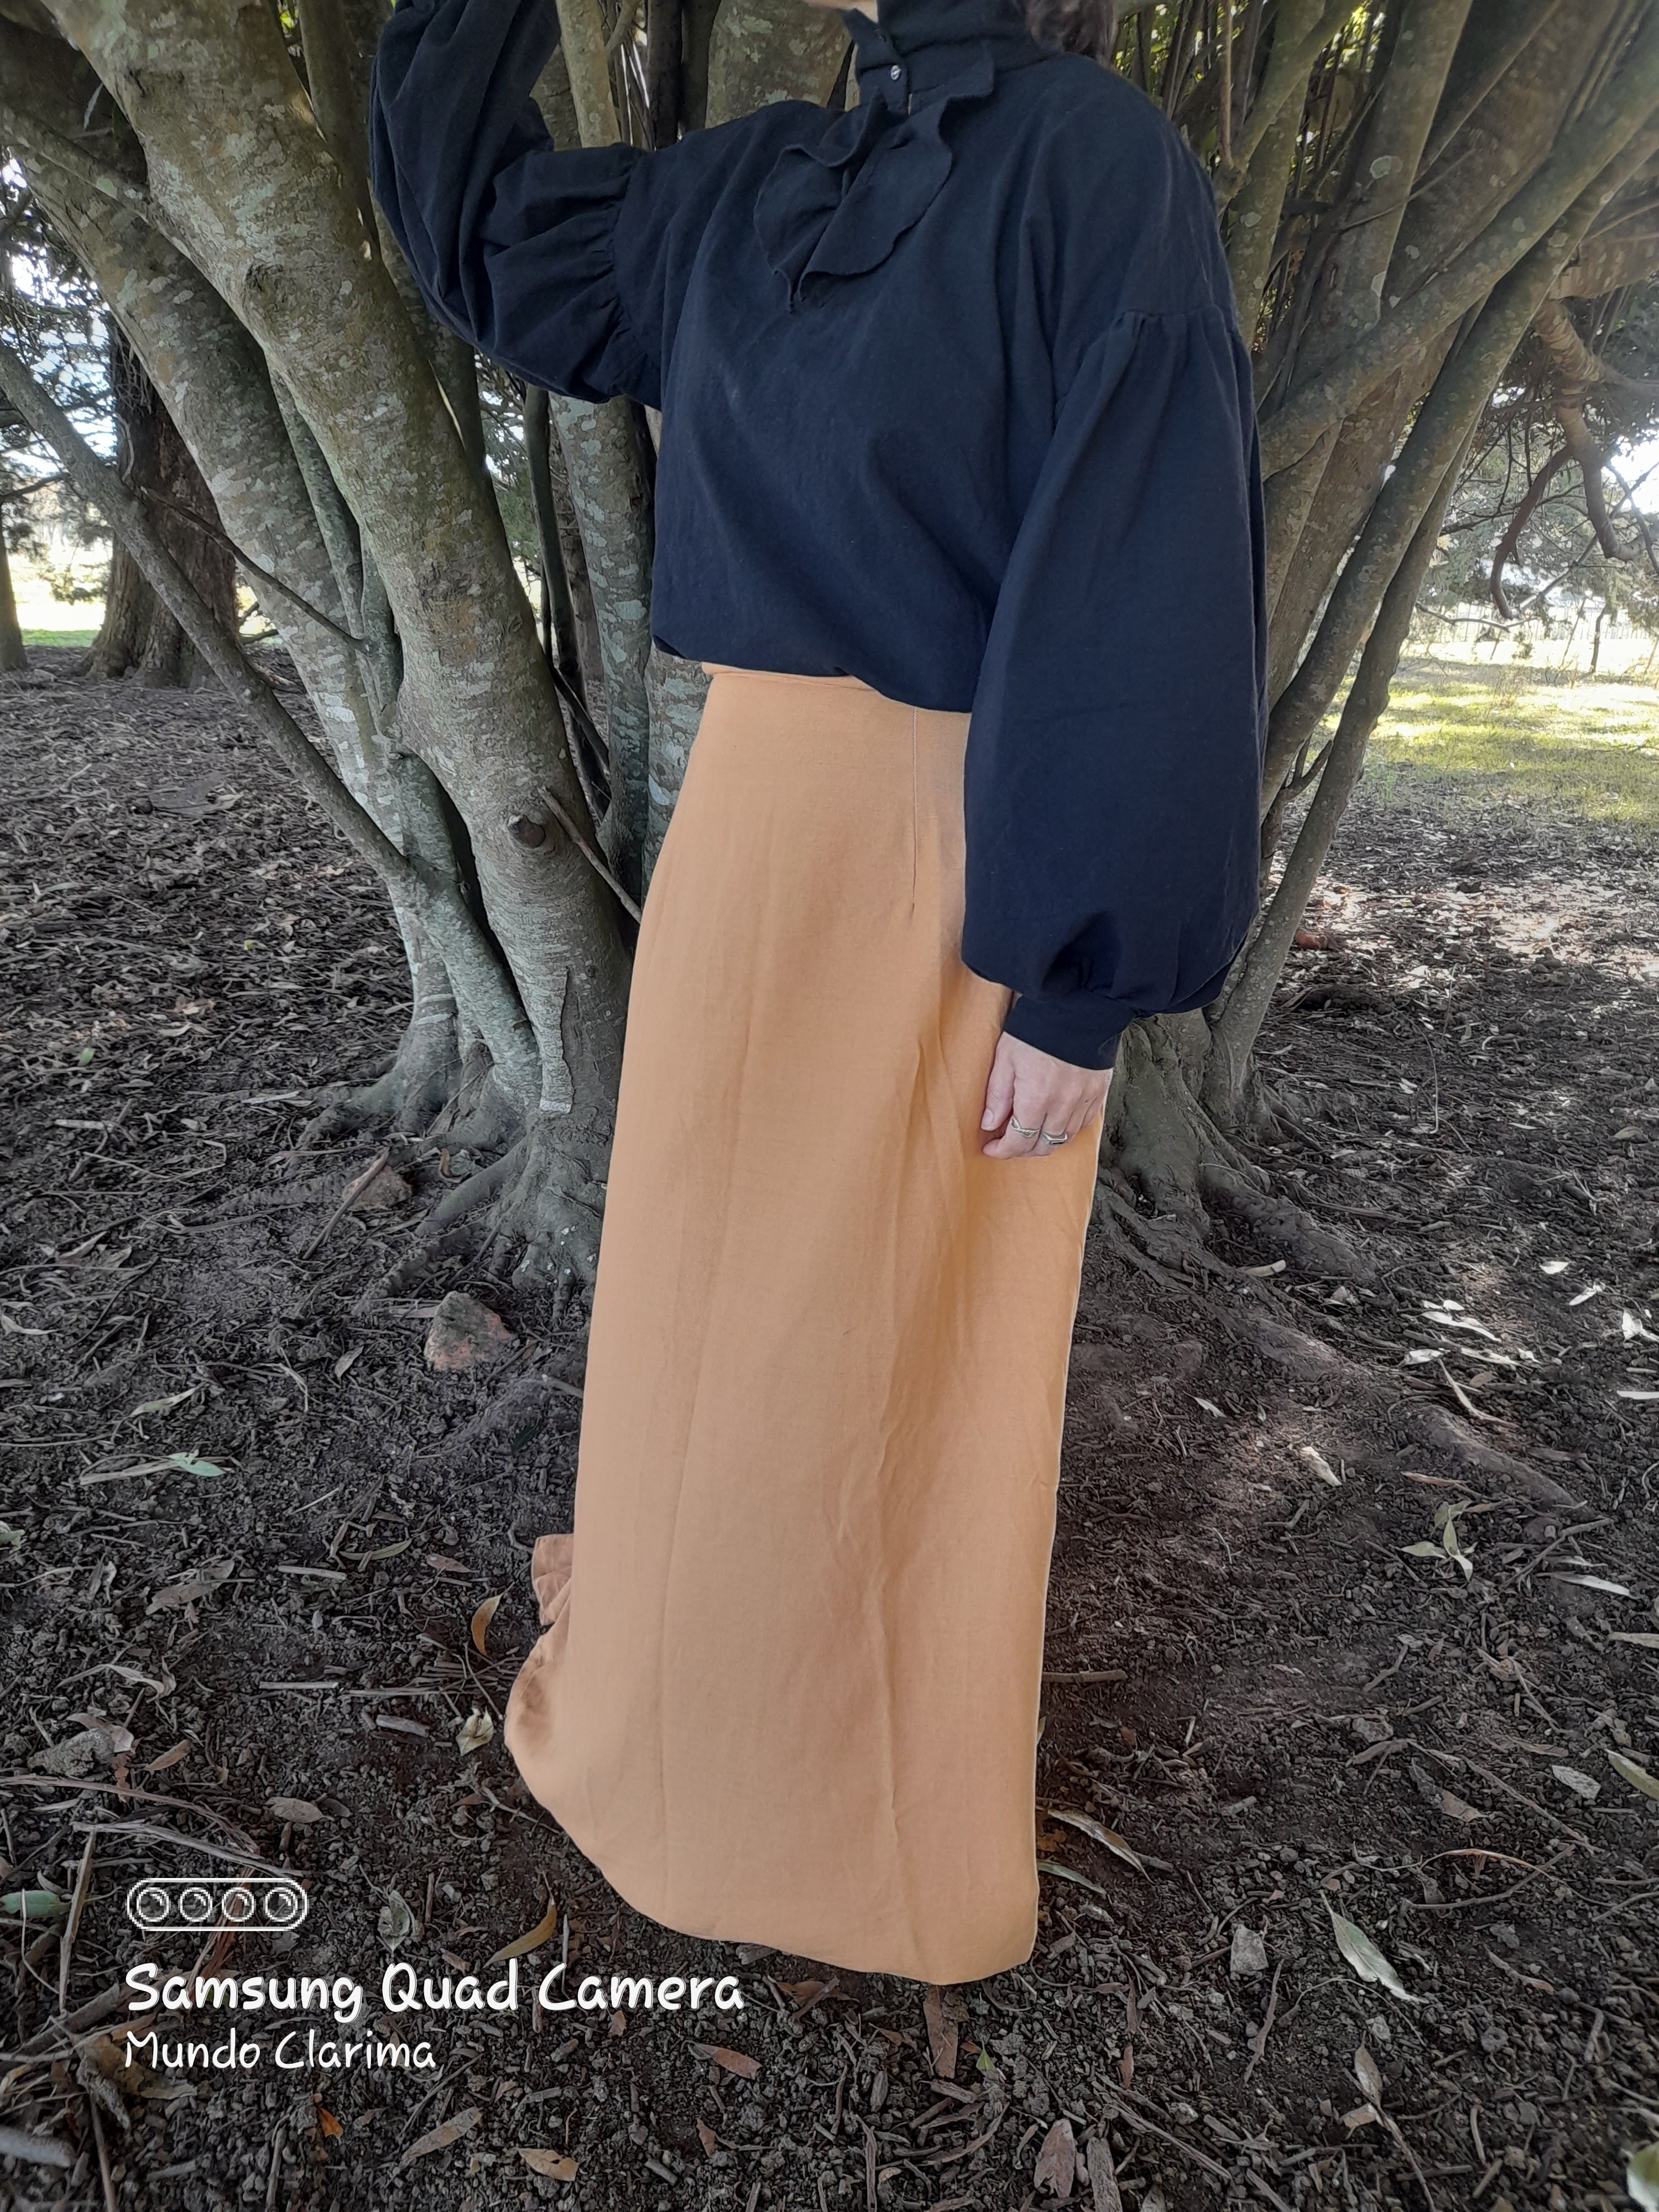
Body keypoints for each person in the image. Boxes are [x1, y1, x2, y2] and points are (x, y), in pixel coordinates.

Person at [371, 0, 1264, 1986]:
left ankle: (858, 1833)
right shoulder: (763, 179)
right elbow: (494, 251)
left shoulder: (1095, 163)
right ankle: (680, 1724)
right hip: (749, 844)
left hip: (958, 862)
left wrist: (1077, 982)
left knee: (889, 1352)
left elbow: (1148, 557)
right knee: (706, 1314)